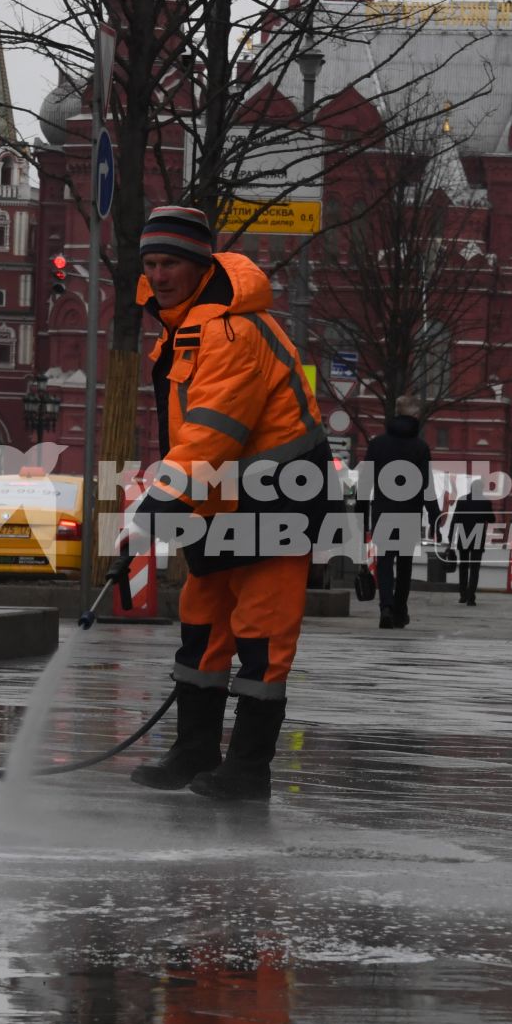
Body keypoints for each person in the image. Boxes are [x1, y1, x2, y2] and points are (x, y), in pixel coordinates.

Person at [121, 205, 333, 802]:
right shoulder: (183, 328)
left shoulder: (231, 330)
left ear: (198, 265)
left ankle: (248, 769)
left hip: (279, 499)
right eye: (151, 264)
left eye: (171, 263)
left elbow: (214, 428)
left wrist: (162, 499)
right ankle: (194, 752)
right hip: (223, 496)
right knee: (202, 622)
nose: (159, 275)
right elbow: (197, 436)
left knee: (261, 633)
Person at [361, 397, 438, 629]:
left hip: (383, 511)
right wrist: (435, 515)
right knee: (404, 563)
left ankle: (385, 606)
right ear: (415, 418)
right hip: (410, 513)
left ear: (396, 414)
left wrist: (361, 512)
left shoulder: (377, 444)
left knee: (384, 561)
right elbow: (427, 486)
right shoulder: (420, 447)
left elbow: (365, 483)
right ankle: (400, 611)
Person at [449, 476, 495, 606]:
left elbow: (455, 520)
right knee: (475, 569)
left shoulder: (462, 500)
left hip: (463, 536)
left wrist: (450, 538)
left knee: (463, 567)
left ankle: (462, 595)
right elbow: (492, 519)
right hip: (478, 537)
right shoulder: (485, 503)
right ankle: (471, 597)